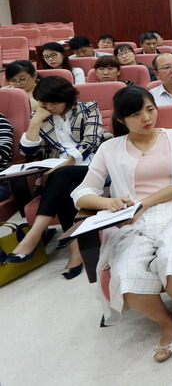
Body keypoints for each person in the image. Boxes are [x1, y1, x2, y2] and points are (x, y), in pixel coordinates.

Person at [72, 86, 172, 361]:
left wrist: (144, 203)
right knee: (126, 276)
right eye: (136, 114)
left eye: (150, 109)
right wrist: (108, 202)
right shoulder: (109, 148)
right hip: (129, 222)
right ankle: (166, 322)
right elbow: (81, 193)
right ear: (121, 119)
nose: (146, 118)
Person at [10, 76, 107, 279]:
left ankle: (33, 236)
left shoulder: (88, 108)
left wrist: (64, 164)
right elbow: (28, 151)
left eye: (53, 102)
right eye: (43, 103)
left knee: (60, 175)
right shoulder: (42, 115)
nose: (48, 107)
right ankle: (75, 249)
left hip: (95, 167)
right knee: (64, 186)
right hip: (60, 175)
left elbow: (91, 142)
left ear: (67, 98)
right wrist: (35, 121)